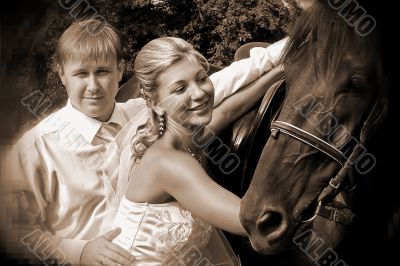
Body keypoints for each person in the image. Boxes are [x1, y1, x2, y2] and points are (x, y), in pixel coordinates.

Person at [0, 18, 286, 265]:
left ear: (120, 69)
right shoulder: (37, 147)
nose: (93, 86)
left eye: (102, 71)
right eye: (80, 74)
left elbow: (220, 92)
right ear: (62, 74)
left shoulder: (141, 113)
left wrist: (286, 54)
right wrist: (78, 251)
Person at [103, 37, 285, 265]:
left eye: (201, 79)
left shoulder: (191, 138)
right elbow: (254, 223)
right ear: (155, 103)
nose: (199, 93)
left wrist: (282, 70)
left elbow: (229, 110)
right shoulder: (167, 163)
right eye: (180, 88)